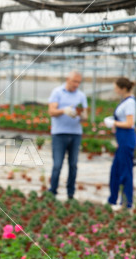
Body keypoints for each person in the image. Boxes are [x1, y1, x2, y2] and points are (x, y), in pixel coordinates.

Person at [48, 71, 88, 199]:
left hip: (76, 134)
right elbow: (51, 111)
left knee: (73, 164)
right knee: (57, 164)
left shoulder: (81, 96)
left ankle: (70, 193)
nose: (76, 84)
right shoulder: (57, 92)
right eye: (74, 81)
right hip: (59, 133)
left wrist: (82, 116)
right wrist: (64, 111)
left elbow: (84, 115)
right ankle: (52, 191)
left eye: (78, 82)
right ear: (67, 79)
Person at [104, 77, 136, 211]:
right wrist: (114, 124)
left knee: (125, 171)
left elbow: (130, 123)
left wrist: (113, 123)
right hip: (122, 138)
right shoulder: (125, 101)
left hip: (127, 139)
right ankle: (113, 199)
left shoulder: (129, 102)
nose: (114, 89)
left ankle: (126, 203)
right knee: (116, 171)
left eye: (116, 87)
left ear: (123, 88)